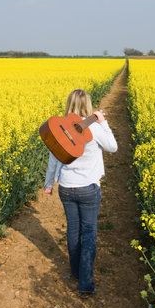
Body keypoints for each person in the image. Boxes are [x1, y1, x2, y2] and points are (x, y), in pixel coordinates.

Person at [43, 89, 118, 297]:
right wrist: (102, 122)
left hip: (66, 188)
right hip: (88, 189)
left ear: (69, 104)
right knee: (89, 233)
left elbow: (53, 159)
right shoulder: (95, 128)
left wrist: (49, 184)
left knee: (73, 231)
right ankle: (85, 284)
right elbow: (113, 147)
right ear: (88, 105)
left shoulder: (61, 128)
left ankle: (75, 272)